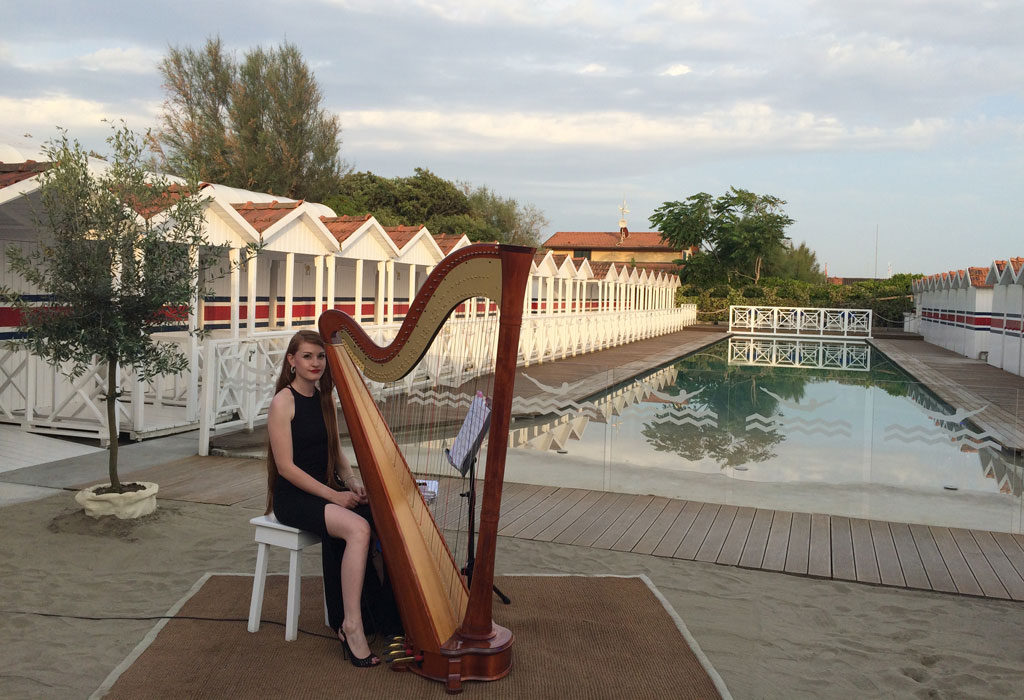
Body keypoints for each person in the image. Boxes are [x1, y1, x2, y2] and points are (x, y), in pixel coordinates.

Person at [265, 330, 395, 667]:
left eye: (320, 356)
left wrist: (351, 484)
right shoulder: (283, 401)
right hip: (294, 497)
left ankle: (382, 613)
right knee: (357, 529)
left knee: (380, 515)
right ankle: (351, 626)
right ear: (292, 361)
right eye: (307, 356)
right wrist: (334, 497)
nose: (315, 363)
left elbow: (337, 454)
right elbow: (286, 468)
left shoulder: (325, 399)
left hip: (328, 489)